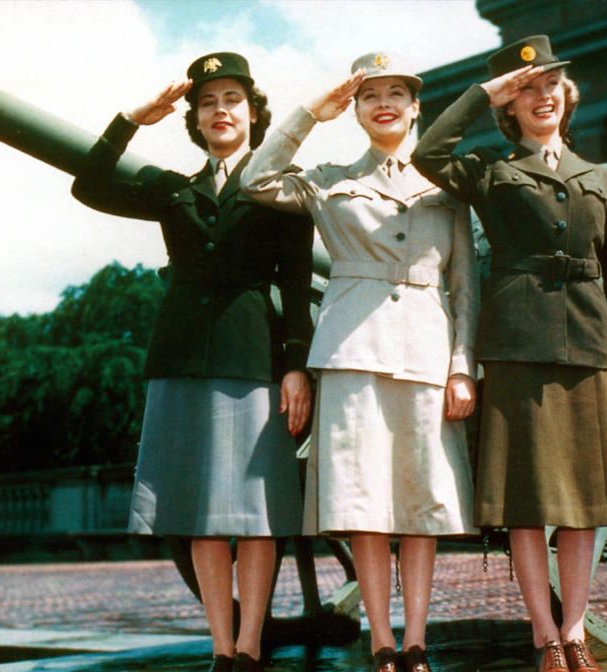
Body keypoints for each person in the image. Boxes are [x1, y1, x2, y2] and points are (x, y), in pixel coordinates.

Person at [71, 52, 314, 672]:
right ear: (196, 121)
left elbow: (293, 281)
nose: (220, 111)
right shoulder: (173, 189)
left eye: (231, 99)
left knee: (257, 517)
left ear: (253, 114)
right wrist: (131, 119)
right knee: (202, 517)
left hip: (252, 360)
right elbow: (88, 186)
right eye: (207, 102)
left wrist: (295, 367)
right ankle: (221, 650)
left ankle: (252, 647)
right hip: (181, 363)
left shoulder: (282, 187)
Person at [241, 52, 479, 672]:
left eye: (397, 92)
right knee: (365, 504)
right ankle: (381, 643)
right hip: (351, 355)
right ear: (354, 107)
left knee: (423, 505)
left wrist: (462, 365)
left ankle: (418, 641)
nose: (385, 103)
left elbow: (465, 286)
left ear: (416, 105)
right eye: (370, 94)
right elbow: (255, 180)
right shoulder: (327, 178)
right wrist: (308, 115)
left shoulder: (447, 186)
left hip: (427, 351)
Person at [411, 36, 607, 672]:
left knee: (583, 502)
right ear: (509, 107)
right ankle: (543, 635)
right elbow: (429, 151)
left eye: (551, 86)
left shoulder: (599, 179)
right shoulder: (489, 168)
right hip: (515, 349)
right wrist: (484, 91)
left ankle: (575, 632)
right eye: (526, 89)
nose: (542, 96)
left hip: (588, 350)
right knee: (526, 504)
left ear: (567, 98)